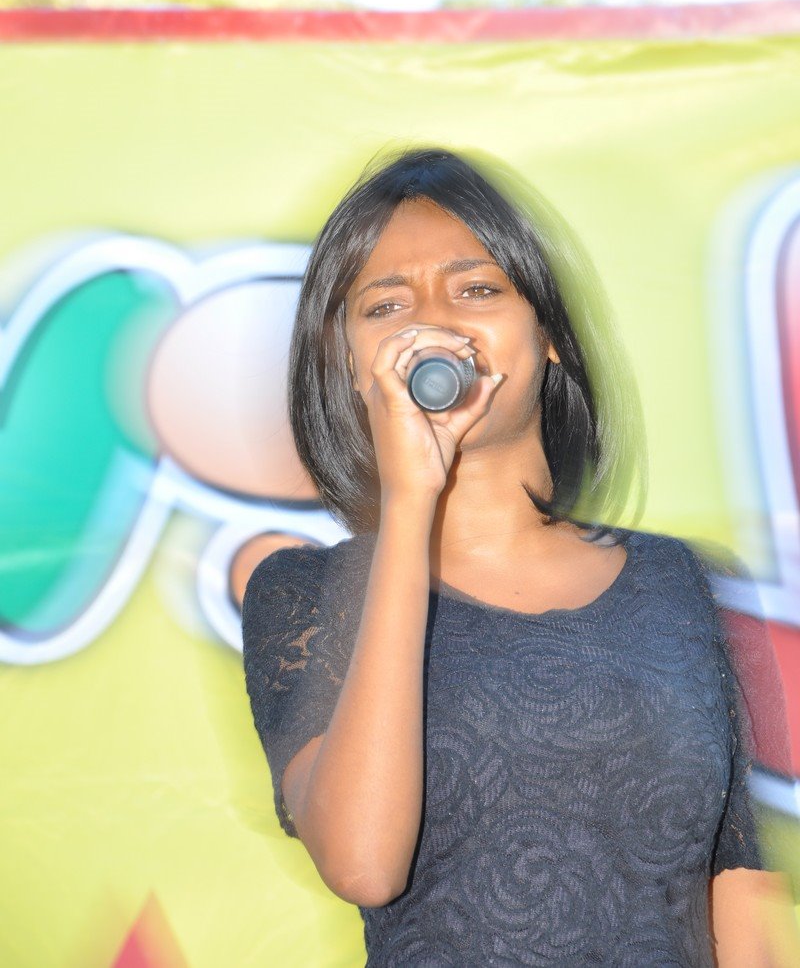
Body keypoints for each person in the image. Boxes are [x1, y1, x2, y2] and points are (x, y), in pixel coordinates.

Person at [242, 145, 797, 966]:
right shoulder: (304, 594)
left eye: (476, 289)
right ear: (348, 364)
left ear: (550, 337)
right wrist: (409, 502)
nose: (433, 323)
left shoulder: (684, 585)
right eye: (386, 304)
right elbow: (362, 863)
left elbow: (741, 896)